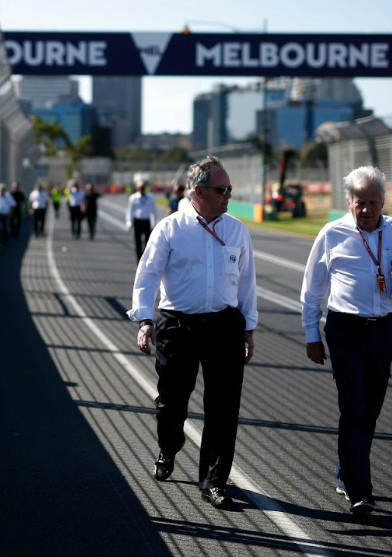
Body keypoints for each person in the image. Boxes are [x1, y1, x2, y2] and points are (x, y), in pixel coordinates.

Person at [127, 156, 258, 510]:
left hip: (224, 325)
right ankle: (169, 446)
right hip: (178, 324)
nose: (228, 195)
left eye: (230, 189)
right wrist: (144, 320)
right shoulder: (170, 229)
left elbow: (246, 282)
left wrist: (248, 327)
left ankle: (214, 482)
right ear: (199, 191)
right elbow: (148, 275)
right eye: (222, 189)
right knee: (171, 403)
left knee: (224, 407)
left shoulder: (236, 230)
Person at [300, 165, 392, 515]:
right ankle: (359, 489)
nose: (365, 209)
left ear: (383, 201)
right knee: (353, 406)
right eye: (358, 202)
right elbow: (312, 290)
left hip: (381, 329)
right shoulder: (332, 233)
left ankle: (346, 471)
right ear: (348, 201)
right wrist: (311, 335)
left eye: (372, 202)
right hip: (344, 329)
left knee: (370, 410)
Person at [125, 181, 158, 260]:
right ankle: (139, 260)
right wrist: (129, 222)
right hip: (137, 222)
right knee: (138, 243)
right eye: (140, 187)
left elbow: (154, 211)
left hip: (146, 222)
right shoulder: (133, 198)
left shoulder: (150, 197)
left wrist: (154, 224)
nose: (142, 189)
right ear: (137, 188)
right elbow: (130, 211)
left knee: (148, 243)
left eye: (143, 187)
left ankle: (146, 259)